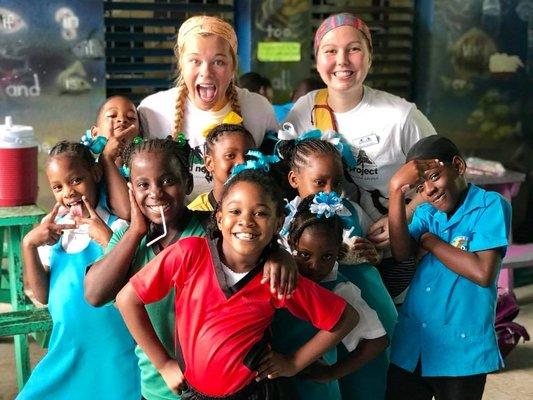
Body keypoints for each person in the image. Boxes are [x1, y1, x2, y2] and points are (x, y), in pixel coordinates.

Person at [84, 138, 298, 400]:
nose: (155, 192)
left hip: (227, 387)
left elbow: (250, 238)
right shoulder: (127, 242)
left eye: (167, 181)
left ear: (187, 182)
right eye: (142, 185)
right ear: (131, 189)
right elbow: (95, 295)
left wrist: (278, 253)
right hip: (160, 387)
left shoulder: (212, 231)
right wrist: (136, 231)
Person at [116, 169, 359, 399]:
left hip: (253, 392)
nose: (247, 221)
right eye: (235, 211)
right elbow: (127, 299)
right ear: (219, 219)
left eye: (261, 213)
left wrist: (294, 363)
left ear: (277, 223)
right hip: (195, 393)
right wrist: (164, 364)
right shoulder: (188, 254)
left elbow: (346, 318)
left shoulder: (276, 277)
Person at [285, 12, 437, 301]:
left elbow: (445, 174)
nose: (342, 60)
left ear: (369, 57)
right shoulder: (305, 110)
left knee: (391, 331)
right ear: (318, 61)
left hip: (401, 254)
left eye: (354, 49)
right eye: (330, 51)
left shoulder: (400, 116)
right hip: (331, 257)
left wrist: (403, 216)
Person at [386, 136, 511, 400]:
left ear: (458, 166)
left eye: (434, 176)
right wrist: (396, 191)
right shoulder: (426, 213)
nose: (428, 189)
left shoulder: (490, 205)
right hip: (415, 344)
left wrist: (430, 241)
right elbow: (401, 251)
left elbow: (482, 272)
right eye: (420, 186)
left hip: (461, 350)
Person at [277, 134, 397, 399]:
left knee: (367, 382)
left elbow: (377, 250)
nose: (330, 192)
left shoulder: (352, 211)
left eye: (336, 183)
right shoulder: (284, 222)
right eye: (320, 183)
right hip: (319, 319)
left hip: (368, 307)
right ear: (295, 180)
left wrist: (372, 253)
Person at [19, 141, 140, 400]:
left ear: (95, 174)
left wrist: (107, 239)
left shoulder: (117, 227)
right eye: (57, 187)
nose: (68, 192)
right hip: (67, 351)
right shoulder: (52, 234)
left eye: (76, 180)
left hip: (117, 354)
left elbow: (134, 285)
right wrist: (29, 244)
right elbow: (43, 296)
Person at [138, 16, 278, 199]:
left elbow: (273, 177)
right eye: (195, 61)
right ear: (181, 63)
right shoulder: (152, 111)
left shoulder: (258, 109)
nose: (206, 72)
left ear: (233, 66)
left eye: (218, 62)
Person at [272, 192, 388, 399]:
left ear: (338, 252)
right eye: (305, 255)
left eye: (327, 257)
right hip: (271, 384)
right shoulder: (280, 271)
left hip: (313, 389)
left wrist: (330, 373)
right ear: (291, 243)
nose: (315, 266)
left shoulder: (340, 289)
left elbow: (377, 341)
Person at [83, 95, 142, 220]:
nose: (122, 120)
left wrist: (107, 158)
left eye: (131, 118)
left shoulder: (140, 172)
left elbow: (128, 212)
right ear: (95, 134)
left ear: (139, 134)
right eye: (112, 116)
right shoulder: (86, 170)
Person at [187, 123, 255, 211]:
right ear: (209, 163)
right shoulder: (195, 215)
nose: (242, 162)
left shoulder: (268, 205)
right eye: (230, 155)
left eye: (248, 155)